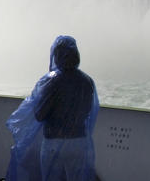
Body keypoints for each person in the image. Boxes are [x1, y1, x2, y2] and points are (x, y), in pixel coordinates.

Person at [5, 35, 99, 181]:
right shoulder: (87, 81)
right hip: (79, 143)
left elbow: (40, 115)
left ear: (57, 55)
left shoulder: (51, 81)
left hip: (54, 143)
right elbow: (88, 111)